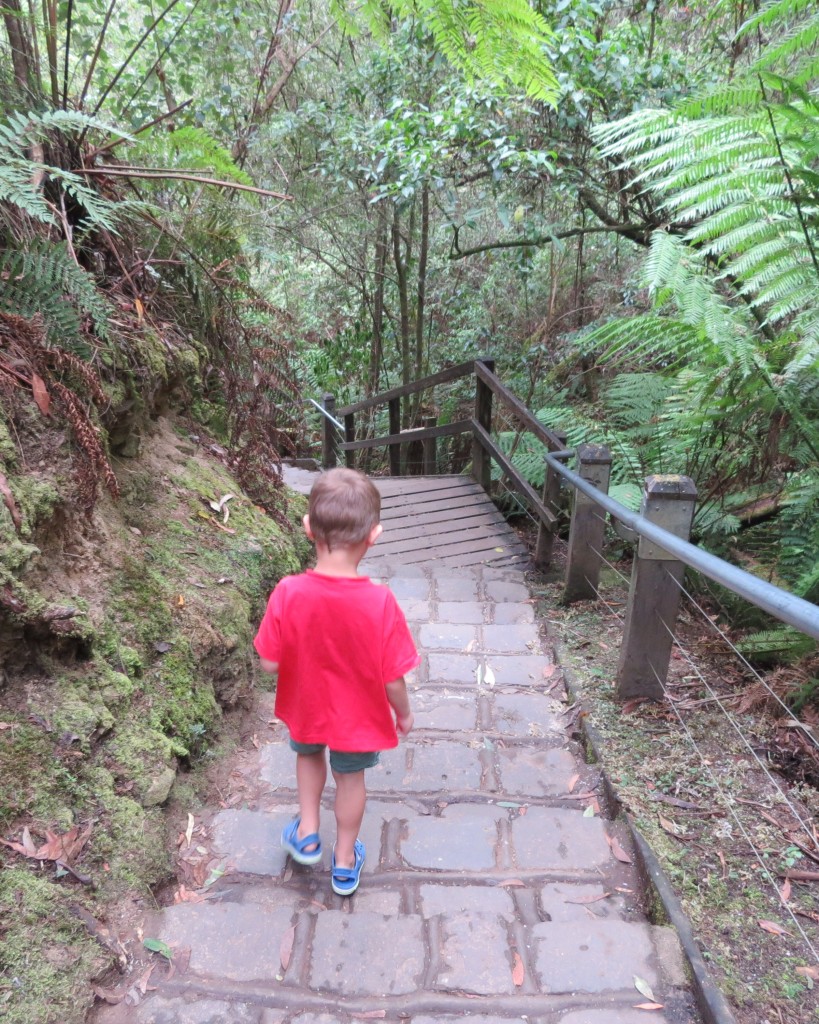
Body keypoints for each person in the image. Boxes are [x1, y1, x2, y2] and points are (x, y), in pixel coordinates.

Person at [254, 467, 419, 896]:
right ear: (374, 535)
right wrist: (403, 713)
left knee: (308, 758)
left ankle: (307, 831)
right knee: (351, 781)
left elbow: (269, 664)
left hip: (306, 705)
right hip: (358, 718)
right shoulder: (381, 602)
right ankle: (344, 862)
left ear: (309, 529)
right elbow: (393, 676)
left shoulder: (288, 591)